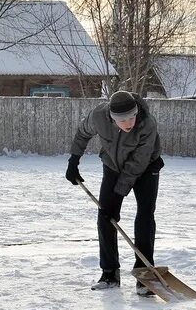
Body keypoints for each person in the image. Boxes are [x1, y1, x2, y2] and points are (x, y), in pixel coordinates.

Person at [66, 90, 165, 295]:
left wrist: (118, 194)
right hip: (112, 165)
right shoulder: (98, 116)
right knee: (105, 217)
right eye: (123, 120)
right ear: (112, 117)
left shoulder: (147, 124)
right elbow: (83, 133)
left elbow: (137, 164)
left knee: (145, 217)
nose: (129, 123)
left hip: (146, 167)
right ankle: (110, 273)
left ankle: (144, 274)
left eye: (132, 117)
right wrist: (73, 161)